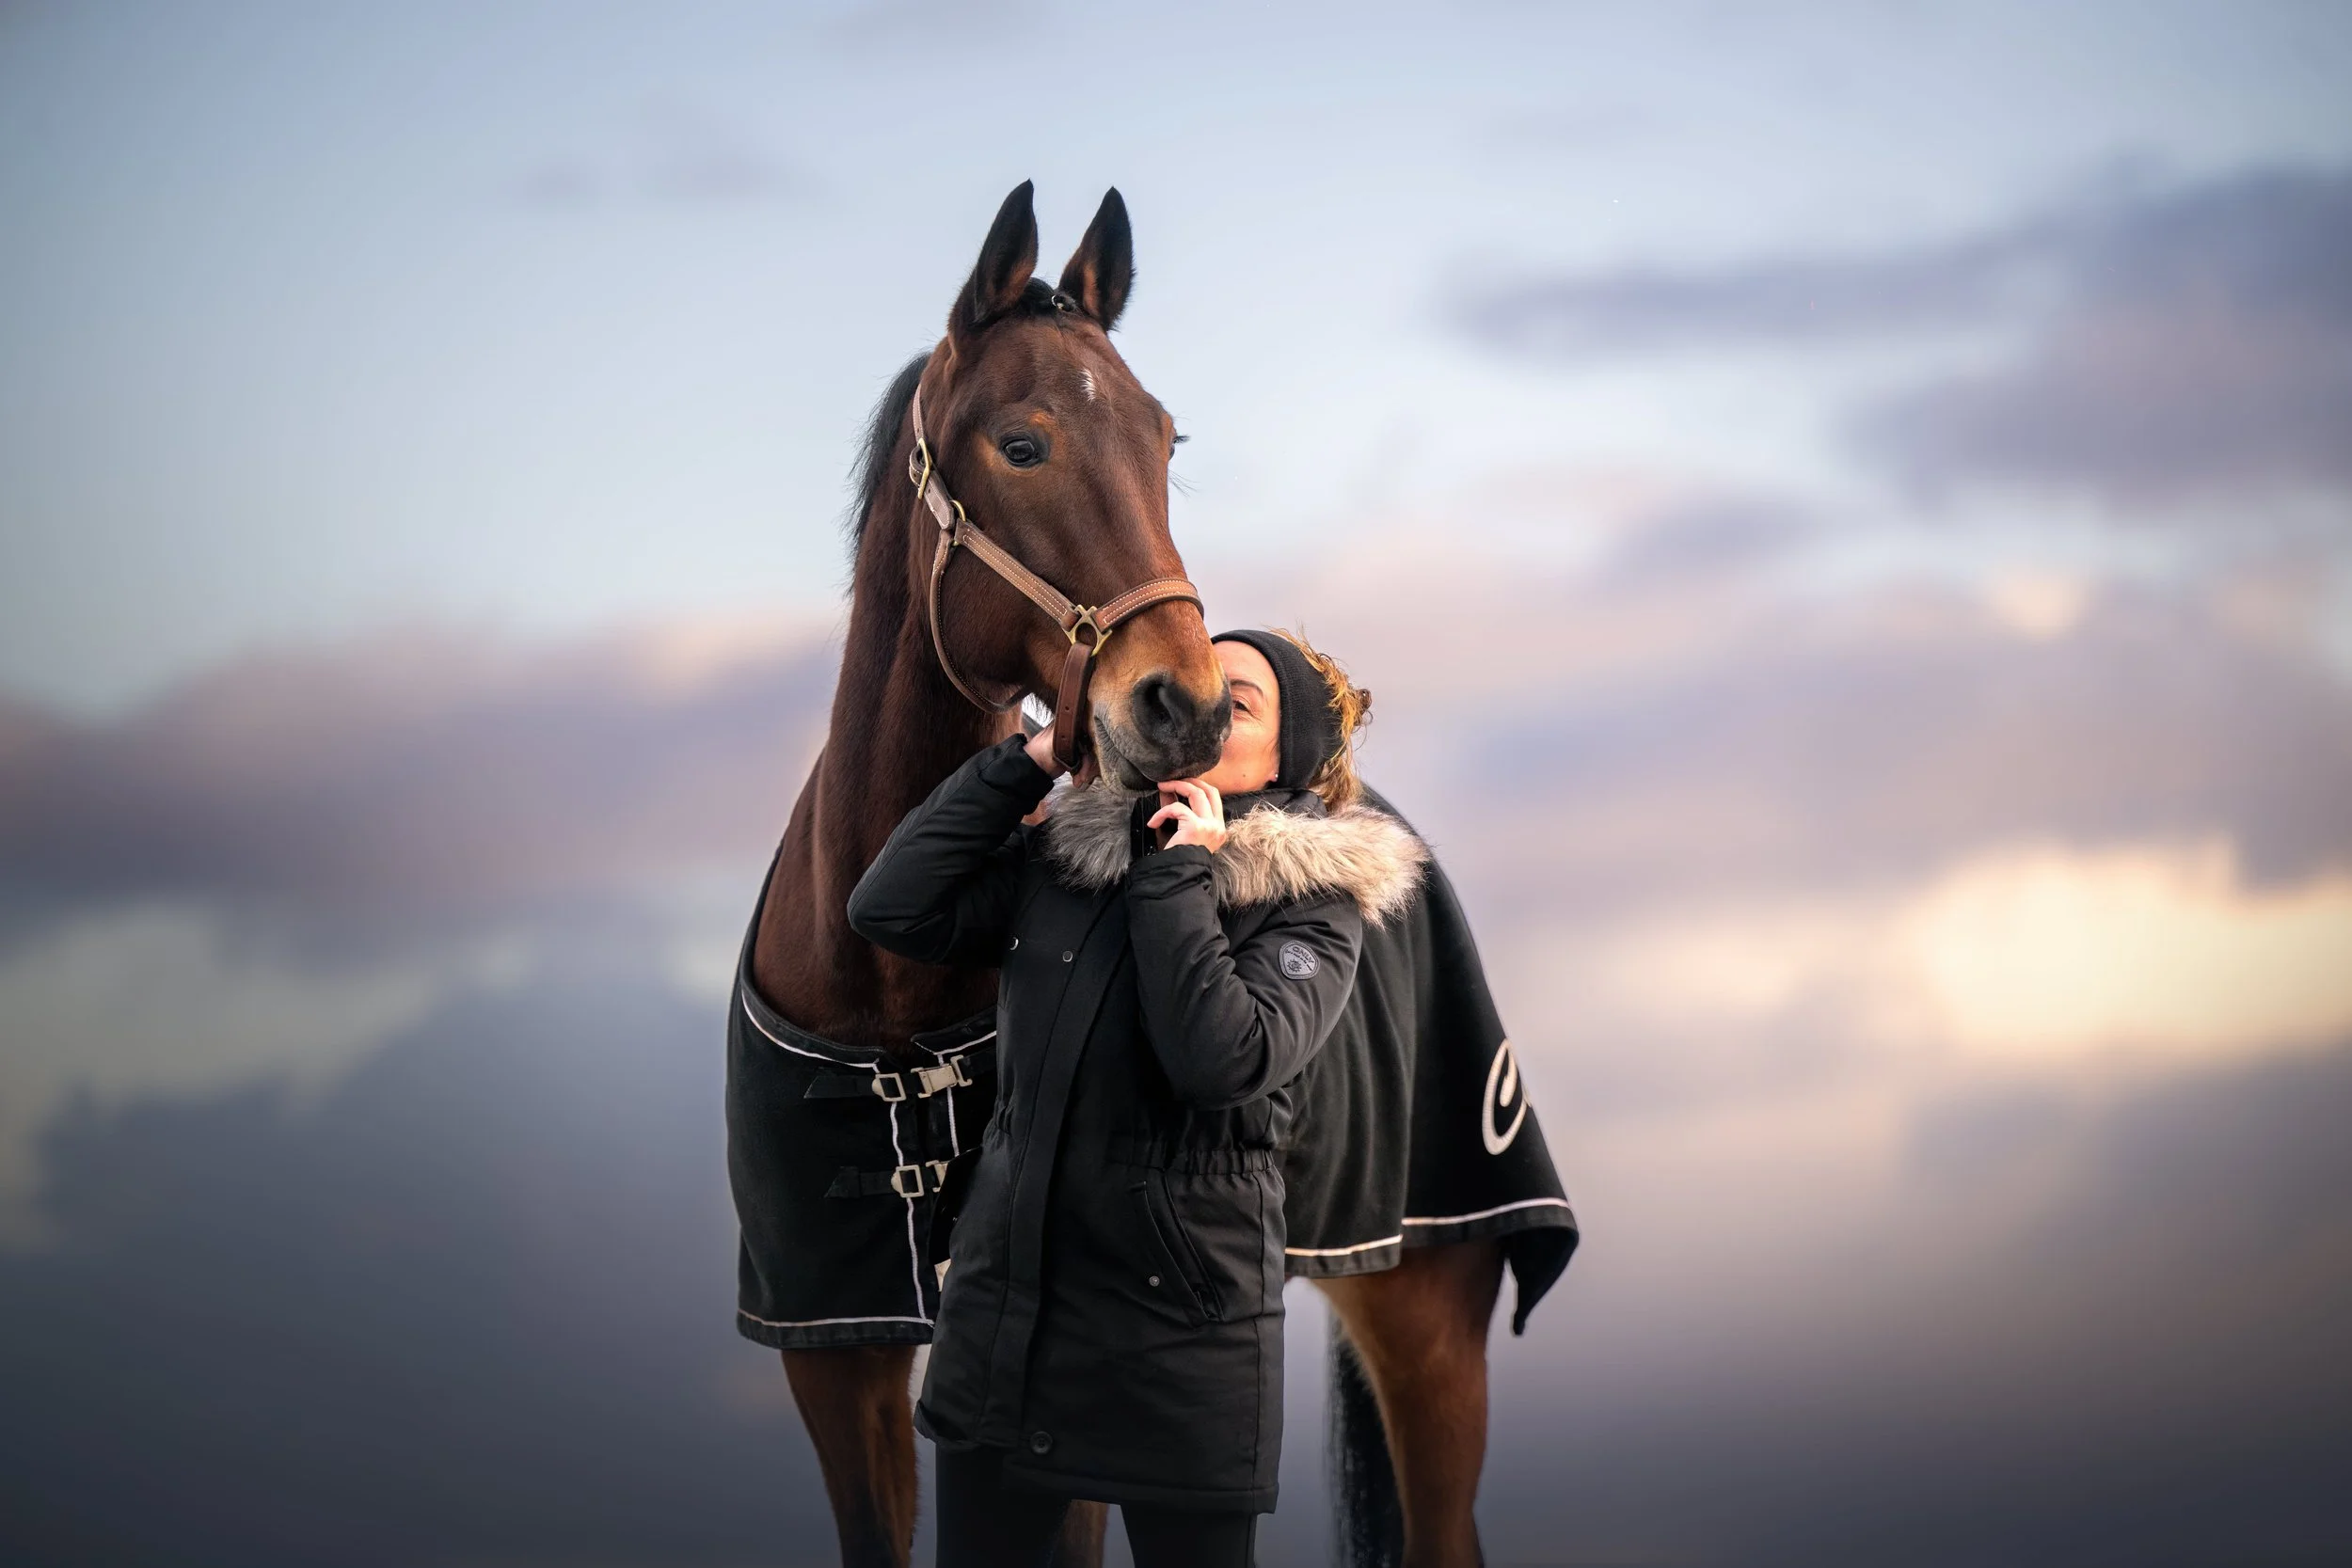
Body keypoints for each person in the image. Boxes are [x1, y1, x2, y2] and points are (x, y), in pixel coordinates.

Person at [847, 629, 1425, 1566]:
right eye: (1195, 685)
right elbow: (890, 906)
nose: (1198, 708)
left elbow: (1222, 1059)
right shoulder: (1073, 855)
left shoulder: (1313, 905)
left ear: (1294, 758)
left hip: (1180, 1340)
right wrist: (1029, 760)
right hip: (1008, 1321)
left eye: (1235, 703)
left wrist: (1178, 872)